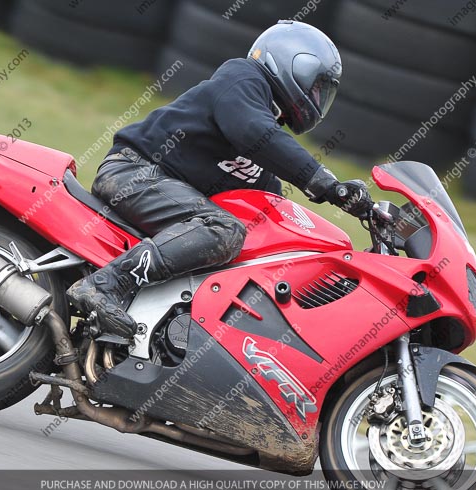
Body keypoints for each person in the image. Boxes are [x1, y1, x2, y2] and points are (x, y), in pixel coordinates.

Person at [67, 20, 373, 340]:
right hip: (133, 172)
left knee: (252, 249)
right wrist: (325, 182)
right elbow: (252, 130)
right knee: (224, 230)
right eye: (317, 86)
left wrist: (349, 266)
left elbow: (270, 213)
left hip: (164, 192)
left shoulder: (263, 149)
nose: (318, 96)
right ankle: (104, 285)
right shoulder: (241, 79)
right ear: (290, 61)